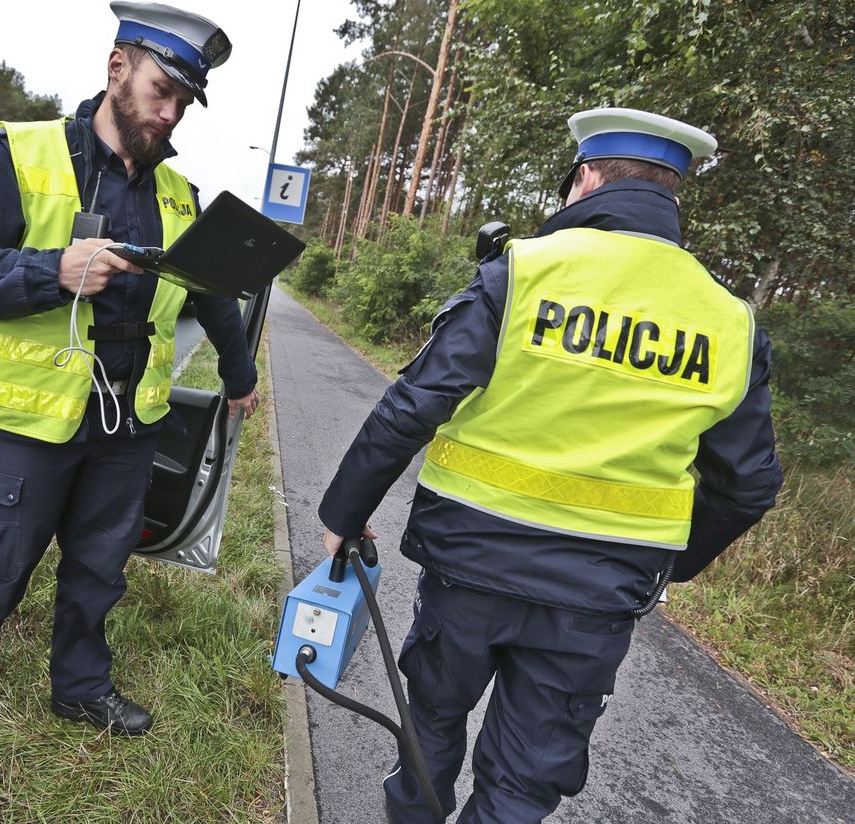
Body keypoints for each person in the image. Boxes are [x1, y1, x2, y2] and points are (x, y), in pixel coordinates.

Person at [318, 108, 783, 822]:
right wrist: (667, 564)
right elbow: (748, 484)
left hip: (469, 565)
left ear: (589, 178)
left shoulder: (526, 270)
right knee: (524, 778)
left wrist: (342, 517)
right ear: (670, 193)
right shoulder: (728, 320)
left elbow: (414, 404)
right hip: (598, 598)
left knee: (432, 723)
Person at [0, 1, 258, 736]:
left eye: (183, 101)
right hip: (29, 417)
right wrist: (51, 272)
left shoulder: (178, 195)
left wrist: (240, 376)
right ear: (117, 69)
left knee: (101, 568)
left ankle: (79, 687)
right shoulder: (24, 154)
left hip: (124, 422)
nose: (170, 113)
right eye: (160, 91)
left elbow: (216, 291)